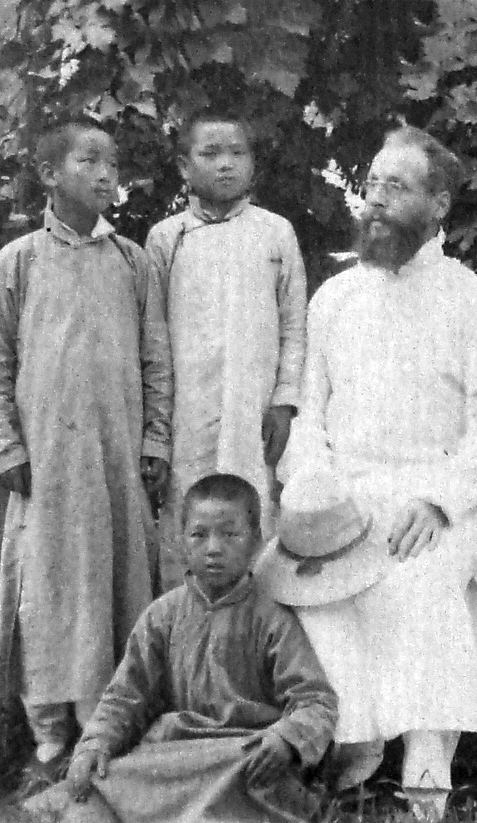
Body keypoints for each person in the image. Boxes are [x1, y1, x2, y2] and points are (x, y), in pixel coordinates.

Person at [278, 125, 477, 823]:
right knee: (311, 589)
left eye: (396, 187)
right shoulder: (334, 298)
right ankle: (354, 748)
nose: (375, 200)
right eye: (372, 185)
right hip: (346, 494)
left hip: (438, 495)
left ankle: (427, 769)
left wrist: (438, 503)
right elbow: (308, 417)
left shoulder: (474, 303)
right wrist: (315, 491)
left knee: (418, 580)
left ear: (439, 205)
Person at [0, 116, 172, 768]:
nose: (105, 174)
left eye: (112, 163)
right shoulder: (20, 261)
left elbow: (156, 362)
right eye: (88, 161)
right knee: (49, 586)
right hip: (47, 464)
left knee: (113, 583)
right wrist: (5, 447)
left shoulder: (132, 261)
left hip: (115, 462)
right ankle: (48, 728)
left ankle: (104, 722)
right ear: (49, 174)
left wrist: (155, 442)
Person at [46, 473, 337, 823]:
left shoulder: (272, 619)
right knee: (112, 776)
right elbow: (125, 696)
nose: (213, 549)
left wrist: (286, 738)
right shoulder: (162, 616)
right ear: (180, 540)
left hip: (241, 756)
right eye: (199, 535)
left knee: (249, 778)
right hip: (175, 752)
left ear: (256, 540)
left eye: (230, 534)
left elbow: (316, 700)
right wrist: (96, 742)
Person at [145, 109, 307, 587]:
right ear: (184, 166)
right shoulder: (166, 239)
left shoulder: (275, 233)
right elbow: (152, 339)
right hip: (186, 416)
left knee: (255, 521)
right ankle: (185, 626)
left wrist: (284, 402)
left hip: (253, 414)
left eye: (238, 153)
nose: (225, 164)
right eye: (210, 153)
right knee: (187, 525)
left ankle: (255, 625)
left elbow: (294, 325)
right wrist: (156, 433)